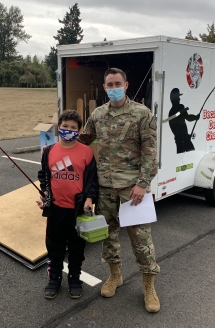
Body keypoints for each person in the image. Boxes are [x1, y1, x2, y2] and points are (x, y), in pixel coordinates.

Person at [78, 67, 161, 313]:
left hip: (132, 190)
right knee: (108, 236)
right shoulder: (98, 114)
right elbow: (84, 141)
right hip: (105, 188)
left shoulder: (142, 114)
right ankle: (115, 276)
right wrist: (59, 147)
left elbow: (150, 152)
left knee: (142, 240)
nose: (113, 88)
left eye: (117, 83)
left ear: (126, 85)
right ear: (104, 88)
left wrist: (142, 184)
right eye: (109, 84)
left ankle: (149, 286)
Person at [38, 110, 98, 299]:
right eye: (65, 126)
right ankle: (54, 278)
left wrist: (89, 199)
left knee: (76, 247)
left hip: (77, 210)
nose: (68, 130)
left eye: (73, 128)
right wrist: (45, 193)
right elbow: (44, 177)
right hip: (56, 210)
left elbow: (91, 180)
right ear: (59, 127)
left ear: (79, 131)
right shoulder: (48, 151)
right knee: (54, 246)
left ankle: (74, 278)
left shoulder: (86, 152)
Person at [168, 88, 200, 153]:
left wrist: (186, 135)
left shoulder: (170, 112)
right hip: (184, 140)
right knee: (192, 154)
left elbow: (175, 128)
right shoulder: (180, 107)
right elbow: (188, 118)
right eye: (178, 97)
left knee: (180, 157)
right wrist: (196, 117)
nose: (180, 99)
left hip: (178, 141)